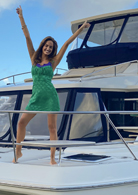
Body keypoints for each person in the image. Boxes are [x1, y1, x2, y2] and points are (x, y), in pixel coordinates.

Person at [13, 5, 90, 165]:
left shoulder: (53, 62)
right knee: (21, 123)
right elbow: (27, 37)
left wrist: (81, 28)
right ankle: (18, 151)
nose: (48, 48)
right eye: (46, 46)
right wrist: (21, 17)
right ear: (42, 46)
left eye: (51, 47)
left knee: (52, 129)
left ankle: (52, 159)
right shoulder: (34, 57)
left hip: (50, 97)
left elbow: (66, 44)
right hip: (36, 97)